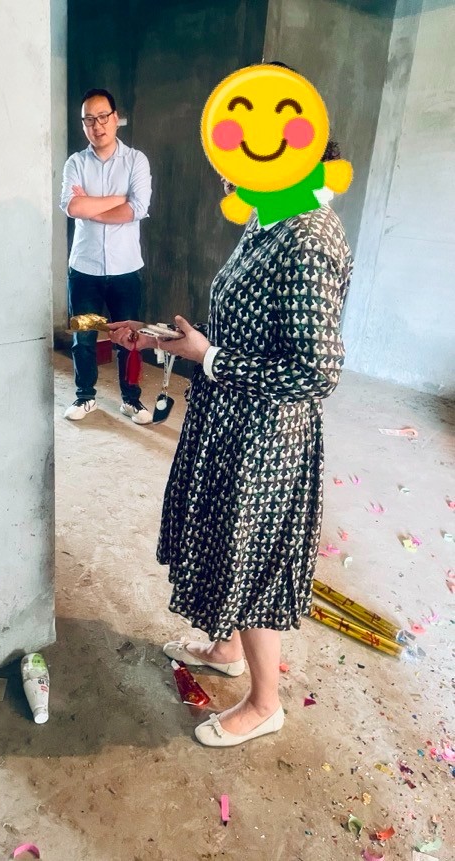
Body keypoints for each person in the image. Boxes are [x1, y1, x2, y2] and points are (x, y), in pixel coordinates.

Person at [110, 141, 352, 748]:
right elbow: (245, 329)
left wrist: (211, 358)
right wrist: (163, 338)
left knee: (251, 559)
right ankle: (226, 649)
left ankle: (266, 704)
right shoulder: (269, 216)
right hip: (230, 421)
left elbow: (314, 373)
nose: (222, 173)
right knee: (223, 543)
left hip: (266, 439)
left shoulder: (309, 239)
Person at [60, 88, 153, 425]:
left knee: (128, 339)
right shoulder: (76, 163)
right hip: (84, 269)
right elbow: (72, 207)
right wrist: (117, 199)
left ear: (115, 118)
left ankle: (131, 400)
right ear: (83, 125)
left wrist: (92, 209)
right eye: (89, 120)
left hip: (125, 269)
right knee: (83, 337)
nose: (96, 126)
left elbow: (137, 208)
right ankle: (85, 396)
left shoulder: (136, 161)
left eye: (102, 117)